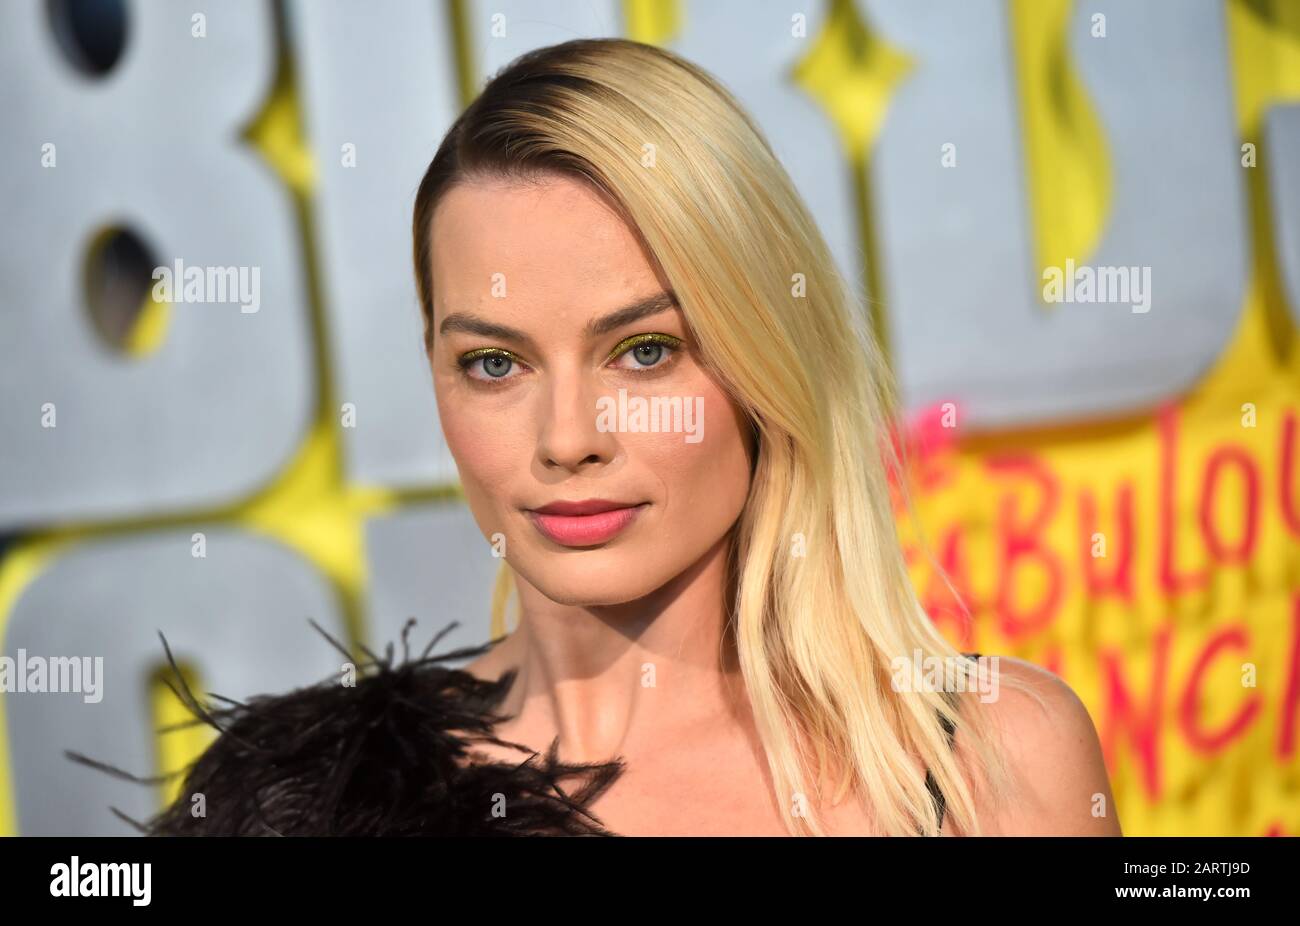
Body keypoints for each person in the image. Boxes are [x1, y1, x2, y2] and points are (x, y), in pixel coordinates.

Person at [74, 37, 1121, 837]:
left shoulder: (994, 758)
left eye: (644, 351)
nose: (566, 437)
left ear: (767, 355)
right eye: (495, 363)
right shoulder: (297, 798)